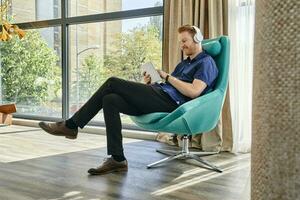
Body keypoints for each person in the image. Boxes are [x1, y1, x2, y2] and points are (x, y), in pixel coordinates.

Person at [39, 25, 219, 175]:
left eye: (185, 41)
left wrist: (167, 77)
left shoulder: (206, 62)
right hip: (160, 95)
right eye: (180, 42)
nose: (182, 45)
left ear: (197, 39)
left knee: (112, 82)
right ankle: (117, 159)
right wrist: (152, 82)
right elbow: (171, 85)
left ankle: (72, 125)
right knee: (110, 99)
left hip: (173, 104)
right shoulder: (184, 63)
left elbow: (194, 92)